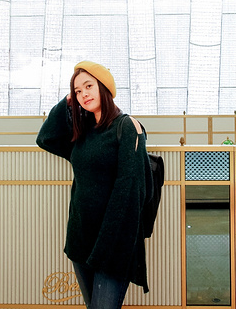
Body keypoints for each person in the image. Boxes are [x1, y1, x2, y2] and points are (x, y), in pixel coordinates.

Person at [36, 60, 153, 309]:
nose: (83, 94)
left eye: (89, 86)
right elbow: (45, 138)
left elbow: (129, 193)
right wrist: (66, 101)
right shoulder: (85, 131)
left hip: (112, 246)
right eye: (77, 91)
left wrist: (105, 249)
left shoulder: (127, 127)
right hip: (81, 243)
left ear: (105, 87)